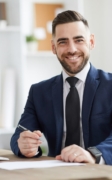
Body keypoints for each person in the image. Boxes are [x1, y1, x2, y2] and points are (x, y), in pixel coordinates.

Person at [10, 10, 112, 165]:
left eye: (79, 40)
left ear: (91, 42)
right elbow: (20, 134)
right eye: (63, 42)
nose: (71, 49)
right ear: (53, 47)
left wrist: (93, 155)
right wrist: (23, 144)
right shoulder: (39, 92)